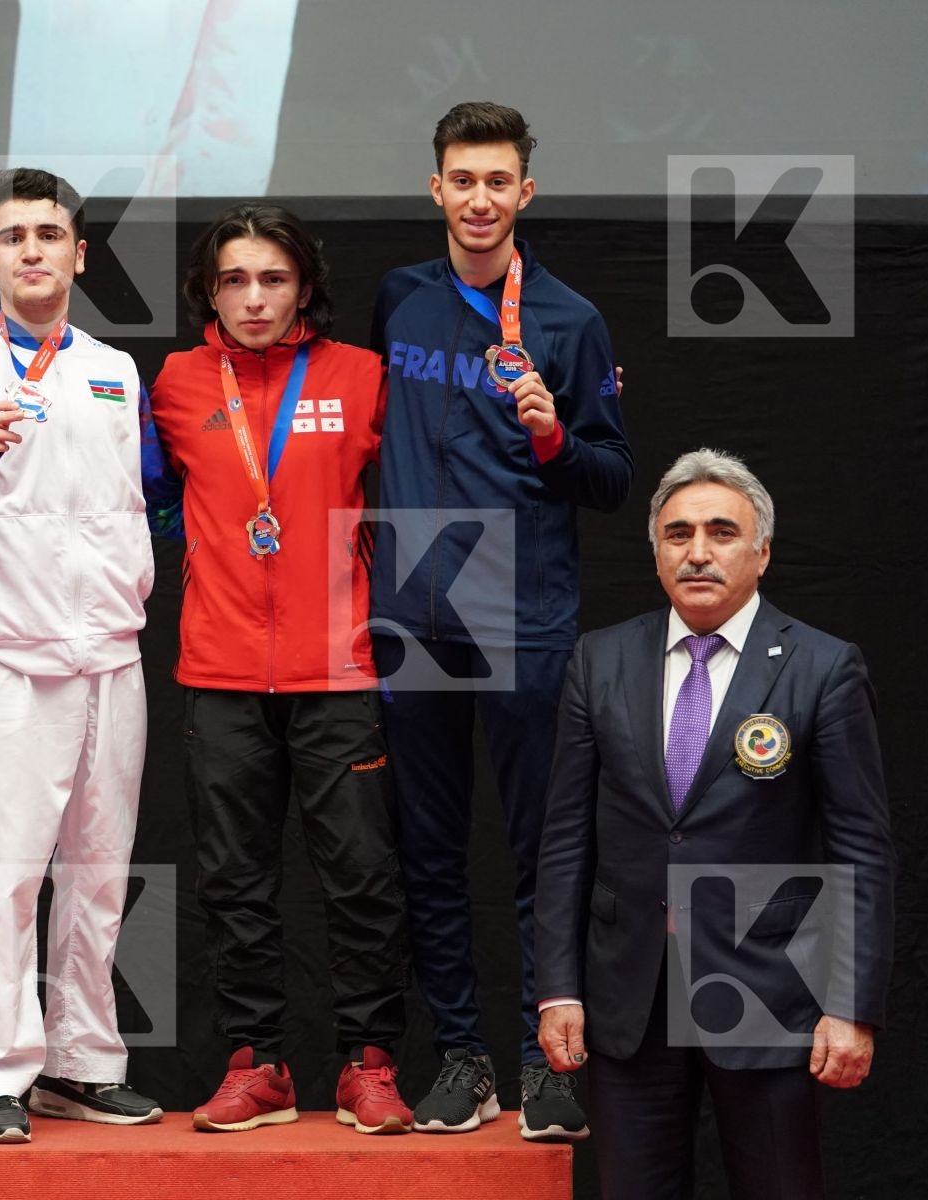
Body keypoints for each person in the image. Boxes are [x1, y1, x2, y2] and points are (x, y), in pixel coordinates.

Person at [369, 100, 632, 1138]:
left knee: (541, 852)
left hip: (520, 613)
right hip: (413, 615)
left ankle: (545, 1059)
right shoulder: (399, 301)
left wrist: (557, 439)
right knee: (429, 851)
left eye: (498, 181)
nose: (479, 199)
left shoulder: (568, 320)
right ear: (435, 188)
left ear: (526, 191)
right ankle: (465, 1059)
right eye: (461, 179)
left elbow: (612, 479)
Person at [0, 167, 171, 1144]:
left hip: (109, 655)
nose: (33, 251)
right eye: (14, 237)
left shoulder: (115, 370)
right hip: (5, 657)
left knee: (100, 873)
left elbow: (151, 505)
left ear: (80, 253)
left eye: (50, 234)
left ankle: (83, 1064)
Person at [534, 448, 894, 1199]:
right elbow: (566, 839)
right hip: (628, 997)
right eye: (678, 534)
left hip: (766, 993)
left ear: (761, 551)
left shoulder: (821, 668)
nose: (698, 551)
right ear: (656, 551)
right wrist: (557, 988)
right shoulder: (598, 661)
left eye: (722, 532)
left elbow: (861, 846)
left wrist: (849, 1006)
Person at [147, 203, 412, 1135]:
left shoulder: (363, 376)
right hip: (219, 669)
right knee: (231, 880)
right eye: (233, 279)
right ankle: (257, 1063)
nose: (253, 298)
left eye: (272, 278)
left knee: (362, 877)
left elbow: (441, 473)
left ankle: (368, 1063)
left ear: (305, 286)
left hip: (337, 670)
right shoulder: (176, 383)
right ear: (207, 289)